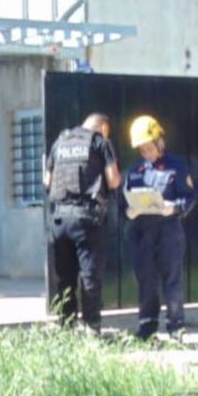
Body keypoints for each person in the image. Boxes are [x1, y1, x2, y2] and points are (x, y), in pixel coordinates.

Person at [121, 114, 197, 340]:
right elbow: (123, 202)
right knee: (146, 280)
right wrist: (129, 211)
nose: (146, 153)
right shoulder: (135, 171)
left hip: (169, 232)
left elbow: (190, 197)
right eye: (142, 149)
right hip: (142, 233)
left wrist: (173, 208)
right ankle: (147, 328)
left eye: (149, 147)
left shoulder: (177, 166)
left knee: (172, 280)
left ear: (159, 141)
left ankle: (176, 328)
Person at [44, 111, 121, 330]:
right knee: (90, 277)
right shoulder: (100, 142)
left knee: (64, 277)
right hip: (86, 219)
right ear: (103, 128)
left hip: (59, 219)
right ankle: (91, 329)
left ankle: (66, 327)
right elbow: (113, 180)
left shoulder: (60, 142)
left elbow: (47, 180)